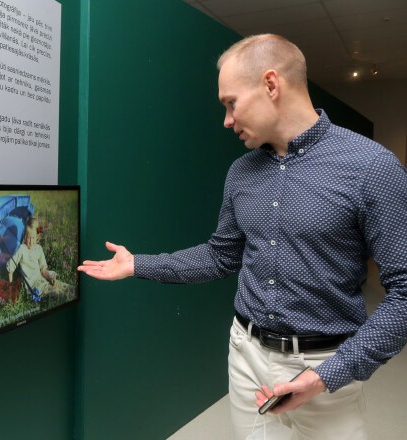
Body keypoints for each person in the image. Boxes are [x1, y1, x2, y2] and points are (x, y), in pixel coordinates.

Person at [78, 34, 407, 440]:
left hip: (325, 367)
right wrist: (138, 264)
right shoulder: (241, 172)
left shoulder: (372, 167)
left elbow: (405, 294)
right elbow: (220, 257)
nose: (227, 120)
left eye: (231, 103)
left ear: (271, 85)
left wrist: (326, 376)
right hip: (246, 356)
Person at [7, 216, 75, 302]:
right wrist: (10, 287)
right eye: (28, 237)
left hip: (42, 279)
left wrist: (49, 277)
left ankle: (75, 292)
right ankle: (70, 298)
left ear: (37, 237)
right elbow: (10, 268)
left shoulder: (38, 249)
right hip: (33, 284)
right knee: (55, 292)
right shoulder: (22, 249)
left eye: (33, 238)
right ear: (25, 236)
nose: (31, 241)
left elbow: (43, 269)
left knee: (63, 285)